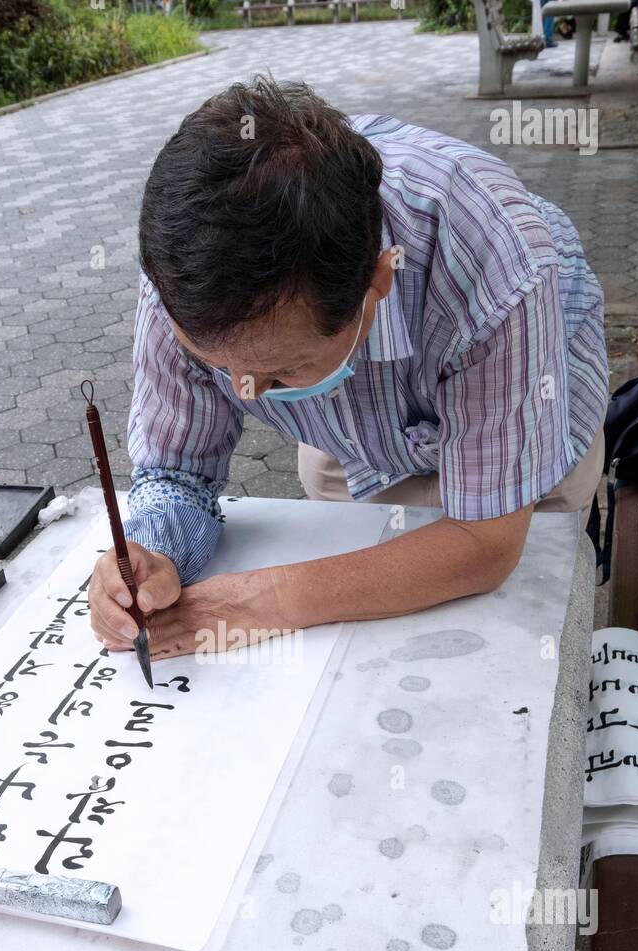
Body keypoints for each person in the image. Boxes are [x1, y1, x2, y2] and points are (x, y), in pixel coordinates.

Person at [89, 78, 608, 659]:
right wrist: (153, 552)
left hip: (531, 417)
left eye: (280, 371)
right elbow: (178, 477)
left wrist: (260, 602)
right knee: (361, 655)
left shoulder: (497, 262)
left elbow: (487, 542)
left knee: (518, 637)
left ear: (377, 282)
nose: (242, 390)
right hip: (358, 443)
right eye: (218, 365)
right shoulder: (187, 276)